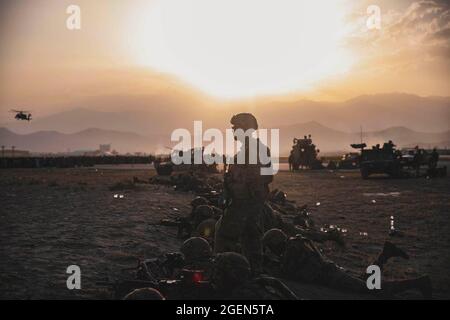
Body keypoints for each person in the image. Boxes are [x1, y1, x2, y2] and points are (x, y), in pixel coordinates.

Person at [214, 113, 273, 275]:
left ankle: (224, 276)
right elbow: (268, 176)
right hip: (249, 204)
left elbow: (264, 177)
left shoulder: (253, 150)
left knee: (225, 238)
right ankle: (253, 274)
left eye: (236, 127)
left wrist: (244, 188)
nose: (233, 130)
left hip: (243, 204)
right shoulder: (252, 149)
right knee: (251, 241)